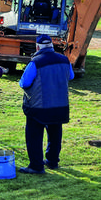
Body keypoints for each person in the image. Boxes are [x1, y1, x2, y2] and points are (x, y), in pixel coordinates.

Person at [19, 34, 74, 174]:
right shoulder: (64, 60)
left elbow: (24, 83)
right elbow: (71, 76)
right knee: (55, 134)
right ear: (51, 45)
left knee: (34, 136)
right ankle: (52, 161)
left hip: (39, 107)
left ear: (38, 47)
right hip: (60, 105)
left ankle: (36, 166)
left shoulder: (35, 62)